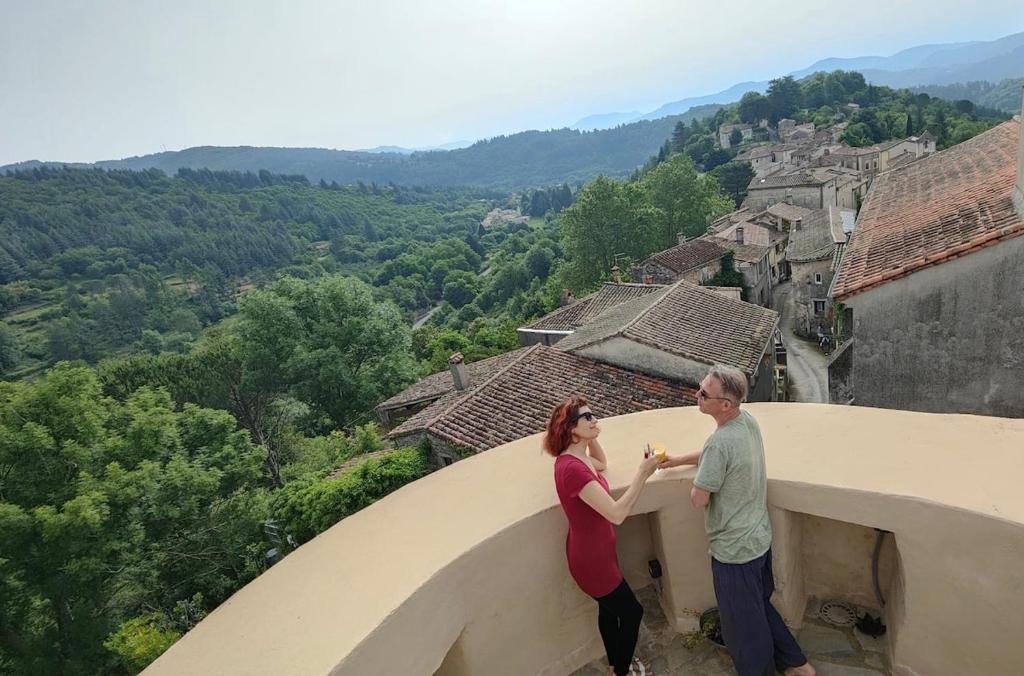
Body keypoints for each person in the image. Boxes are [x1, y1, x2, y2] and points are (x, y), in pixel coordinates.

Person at [660, 366, 815, 676]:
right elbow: (713, 453)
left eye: (704, 393)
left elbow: (699, 497)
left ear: (725, 404)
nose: (697, 395)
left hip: (734, 552)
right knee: (758, 608)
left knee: (743, 632)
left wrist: (696, 483)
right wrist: (676, 461)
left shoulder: (720, 444)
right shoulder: (747, 422)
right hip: (758, 539)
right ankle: (796, 664)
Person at [545, 395, 661, 676]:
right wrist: (643, 473)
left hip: (595, 555)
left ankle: (612, 666)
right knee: (632, 613)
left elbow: (601, 461)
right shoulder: (572, 469)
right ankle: (621, 672)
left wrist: (590, 434)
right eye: (588, 417)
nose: (596, 419)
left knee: (609, 611)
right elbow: (617, 514)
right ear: (571, 428)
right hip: (593, 563)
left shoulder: (575, 459)